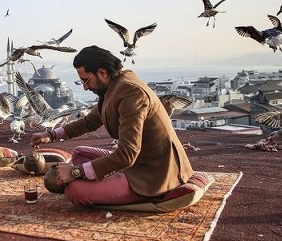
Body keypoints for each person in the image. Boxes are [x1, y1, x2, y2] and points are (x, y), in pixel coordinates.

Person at [30, 45, 194, 206]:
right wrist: (50, 135)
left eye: (86, 80)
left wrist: (75, 172)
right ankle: (111, 177)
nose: (86, 87)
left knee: (75, 191)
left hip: (154, 172)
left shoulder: (131, 93)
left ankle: (123, 185)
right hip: (135, 161)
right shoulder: (113, 87)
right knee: (79, 153)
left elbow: (126, 155)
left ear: (102, 72)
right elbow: (90, 122)